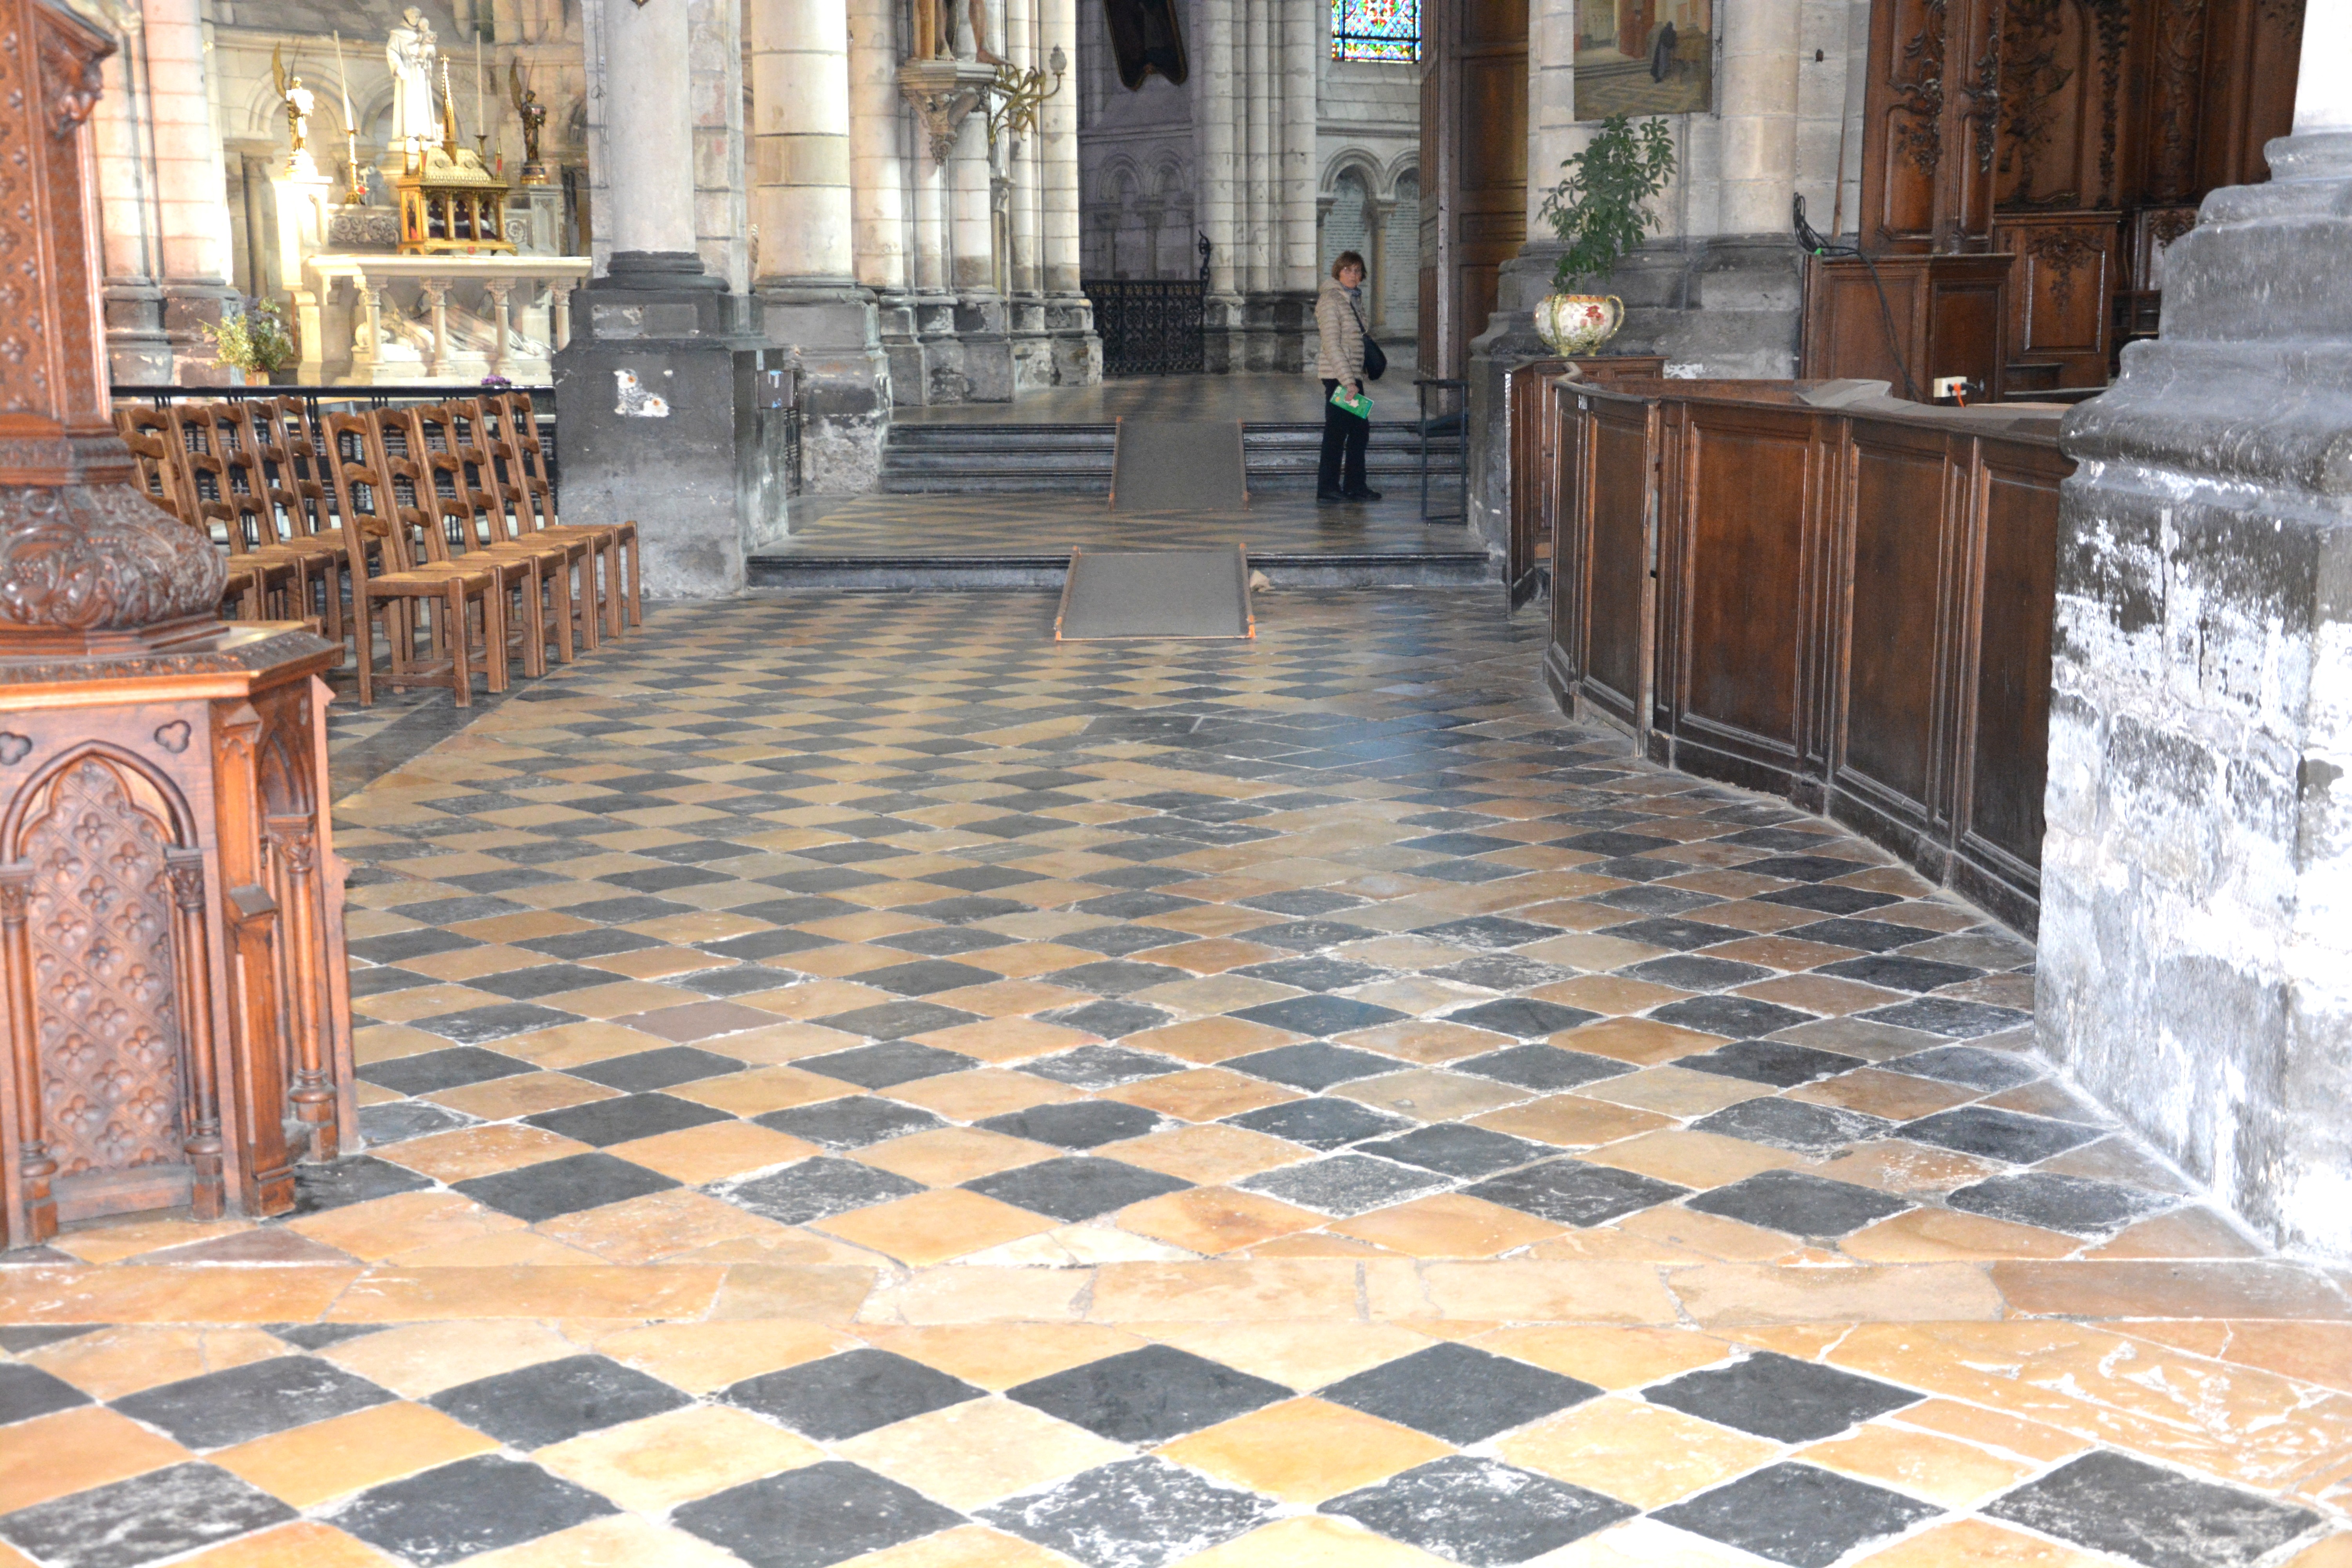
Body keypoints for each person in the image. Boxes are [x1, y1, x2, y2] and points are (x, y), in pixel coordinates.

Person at [1316, 251, 1379, 503]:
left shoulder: (1352, 299)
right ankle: (1330, 487)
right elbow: (1332, 345)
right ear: (1338, 272)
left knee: (1358, 431)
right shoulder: (1331, 300)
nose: (1353, 275)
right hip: (1339, 378)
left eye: (1357, 271)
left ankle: (1354, 485)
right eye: (1347, 270)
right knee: (1338, 432)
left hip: (1351, 376)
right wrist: (1348, 381)